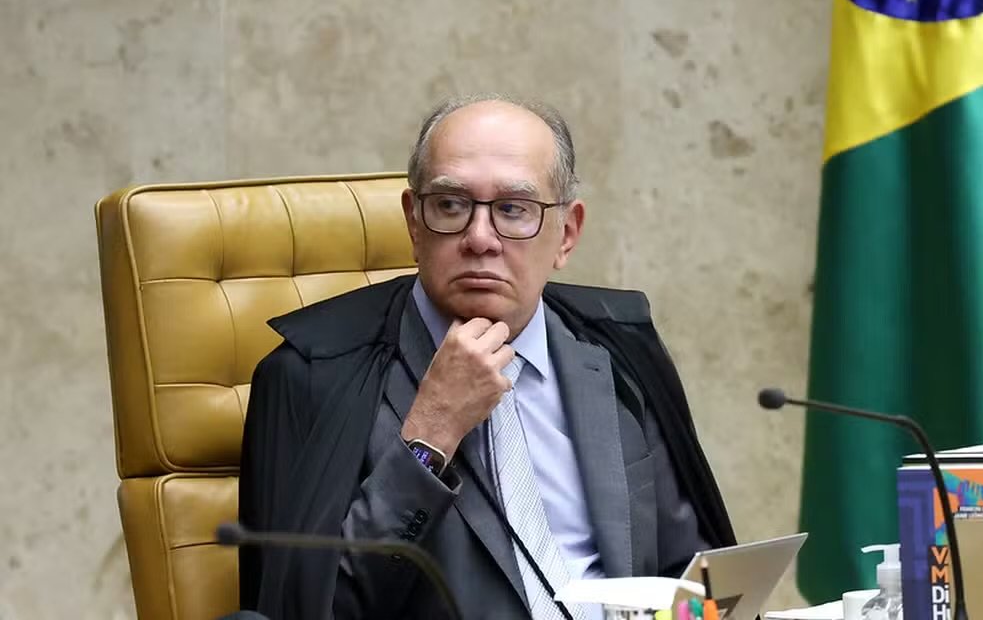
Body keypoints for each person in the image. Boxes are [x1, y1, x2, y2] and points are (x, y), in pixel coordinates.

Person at [238, 95, 735, 620]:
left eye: (513, 209)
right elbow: (306, 609)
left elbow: (691, 575)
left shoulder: (618, 350)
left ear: (566, 235)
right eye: (451, 205)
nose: (479, 238)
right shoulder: (309, 373)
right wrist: (431, 434)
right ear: (413, 222)